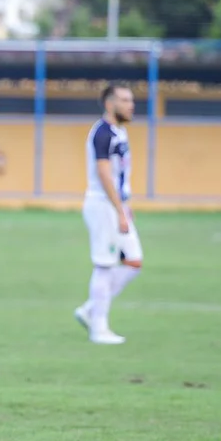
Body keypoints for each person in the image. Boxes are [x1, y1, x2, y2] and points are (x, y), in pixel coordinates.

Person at [75, 84, 143, 345]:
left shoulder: (119, 132)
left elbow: (119, 173)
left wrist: (126, 205)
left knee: (134, 262)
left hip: (115, 205)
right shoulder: (102, 133)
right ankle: (99, 327)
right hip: (103, 205)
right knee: (105, 265)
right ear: (109, 104)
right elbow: (104, 173)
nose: (130, 105)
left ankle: (91, 309)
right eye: (125, 100)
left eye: (131, 100)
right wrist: (119, 210)